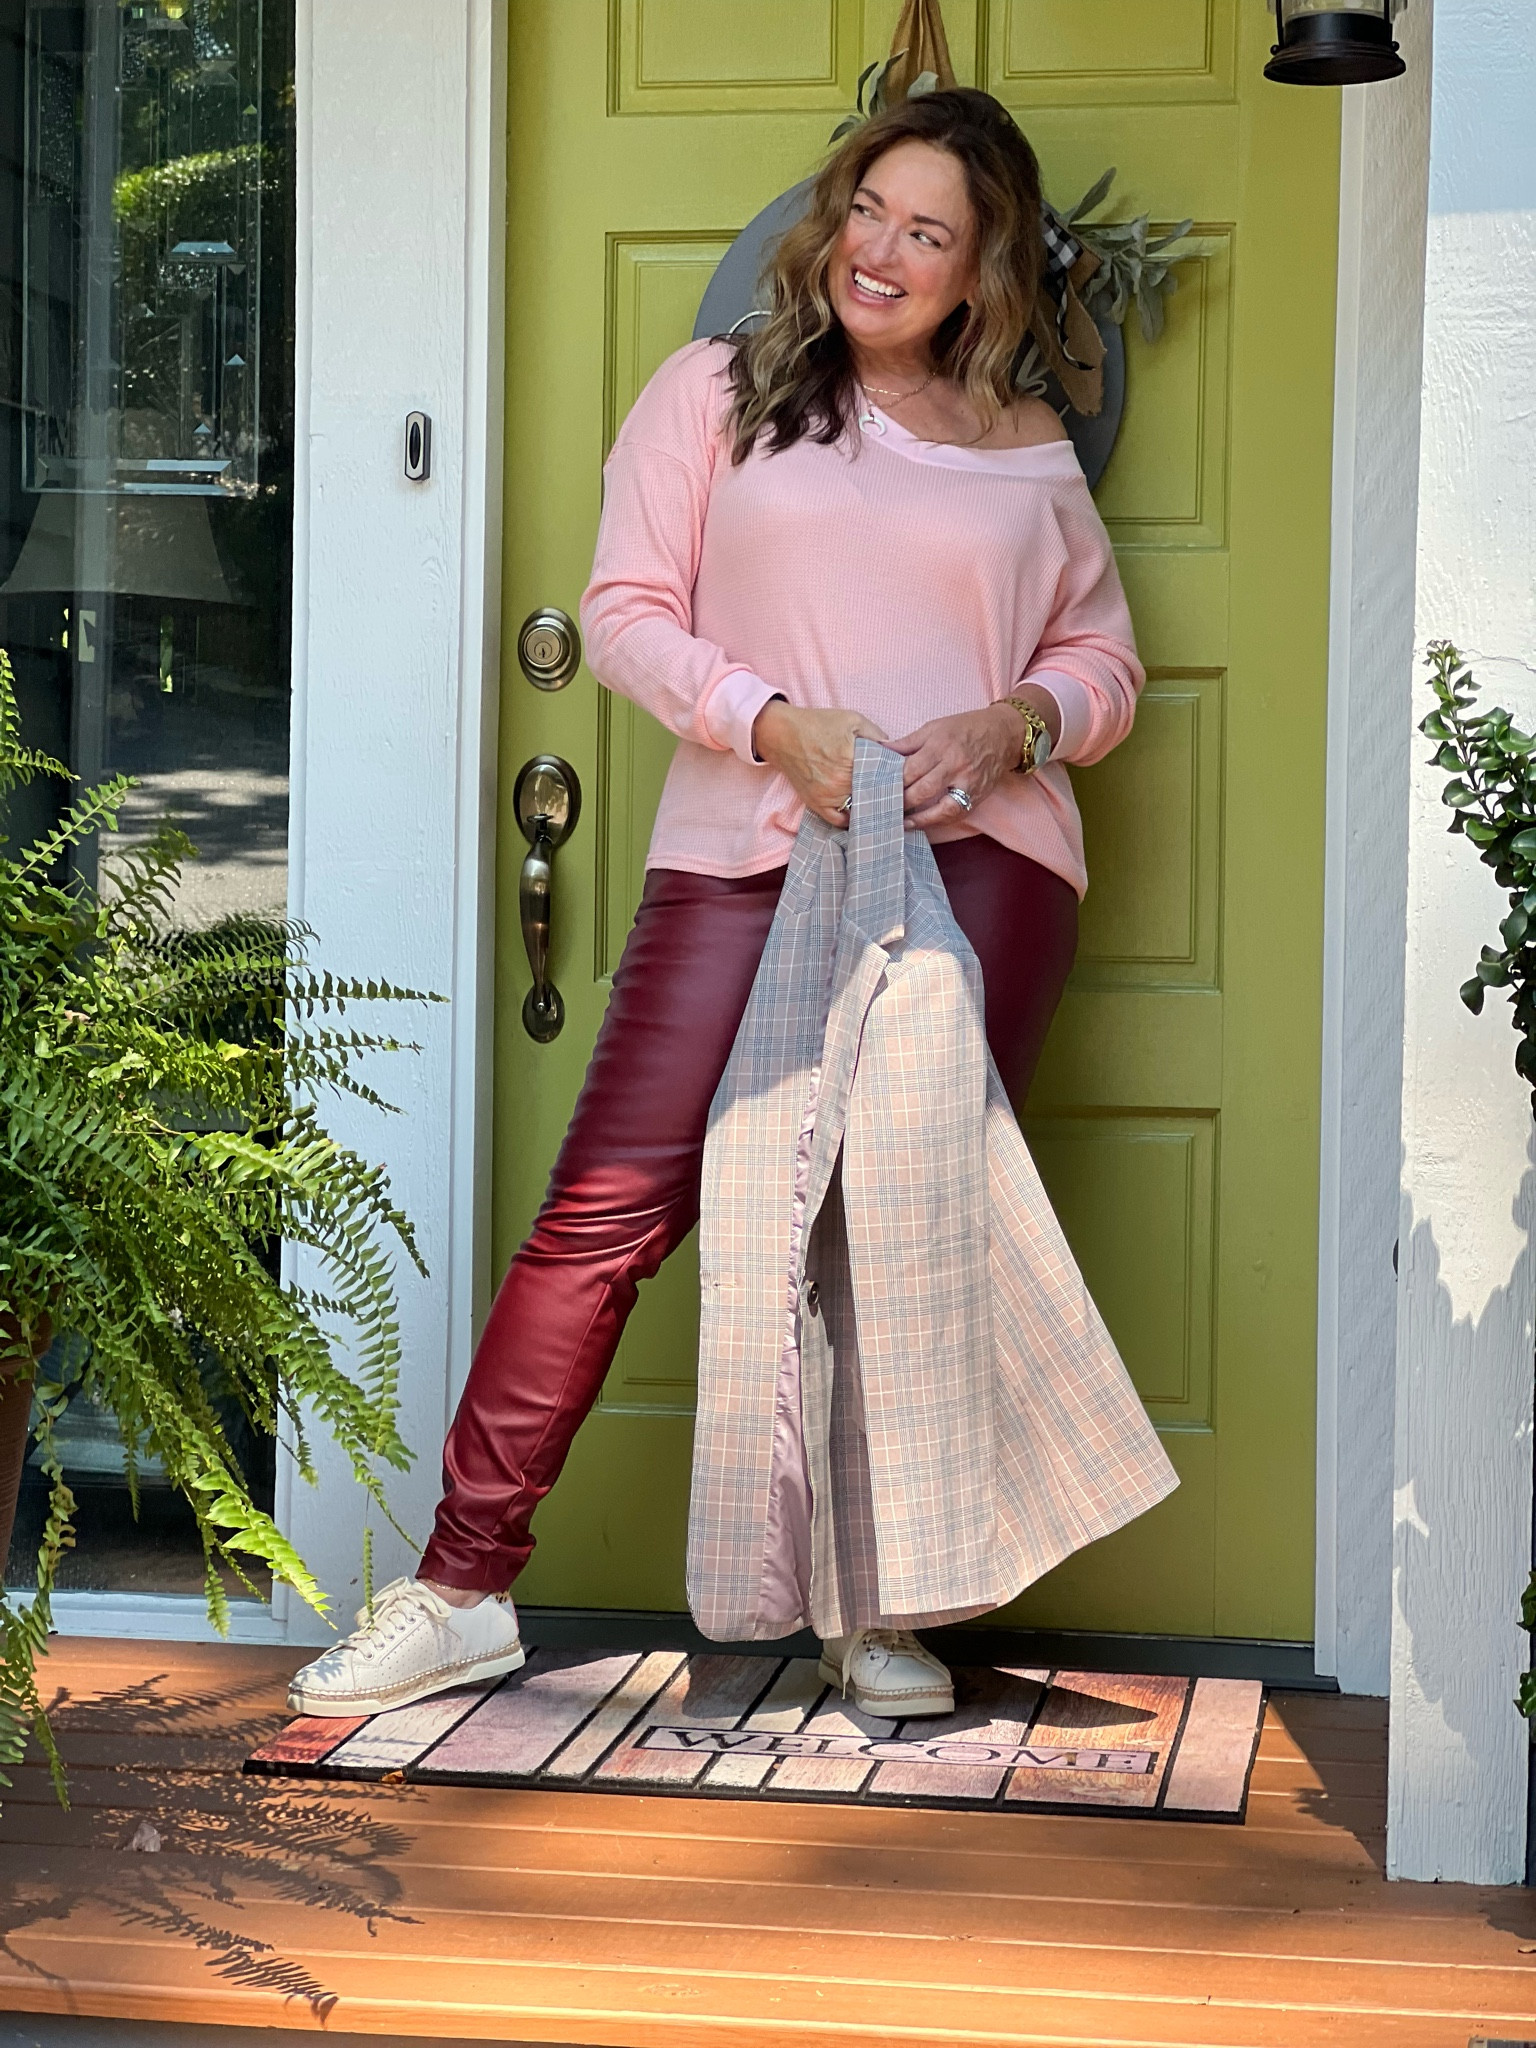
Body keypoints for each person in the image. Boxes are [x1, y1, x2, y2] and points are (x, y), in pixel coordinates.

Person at [289, 86, 1145, 1721]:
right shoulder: (720, 392)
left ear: (981, 275)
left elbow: (1103, 662)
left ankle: (882, 1607)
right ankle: (462, 1586)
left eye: (930, 233)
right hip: (751, 845)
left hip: (979, 865)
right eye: (871, 213)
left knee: (896, 1239)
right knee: (611, 1206)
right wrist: (769, 723)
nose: (884, 253)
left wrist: (1016, 722)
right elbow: (622, 615)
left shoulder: (1025, 446)